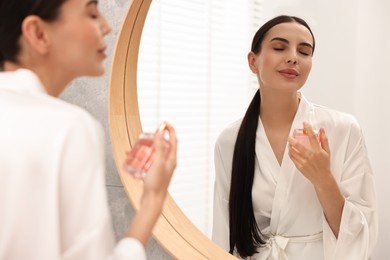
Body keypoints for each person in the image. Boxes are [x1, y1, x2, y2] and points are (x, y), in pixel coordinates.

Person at [0, 0, 177, 259]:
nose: (106, 27)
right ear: (38, 33)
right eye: (92, 13)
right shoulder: (69, 129)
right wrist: (153, 200)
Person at [212, 15, 377, 260]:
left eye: (304, 52)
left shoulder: (343, 129)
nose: (293, 57)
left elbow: (363, 233)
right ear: (252, 61)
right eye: (279, 47)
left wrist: (324, 179)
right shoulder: (230, 140)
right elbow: (224, 235)